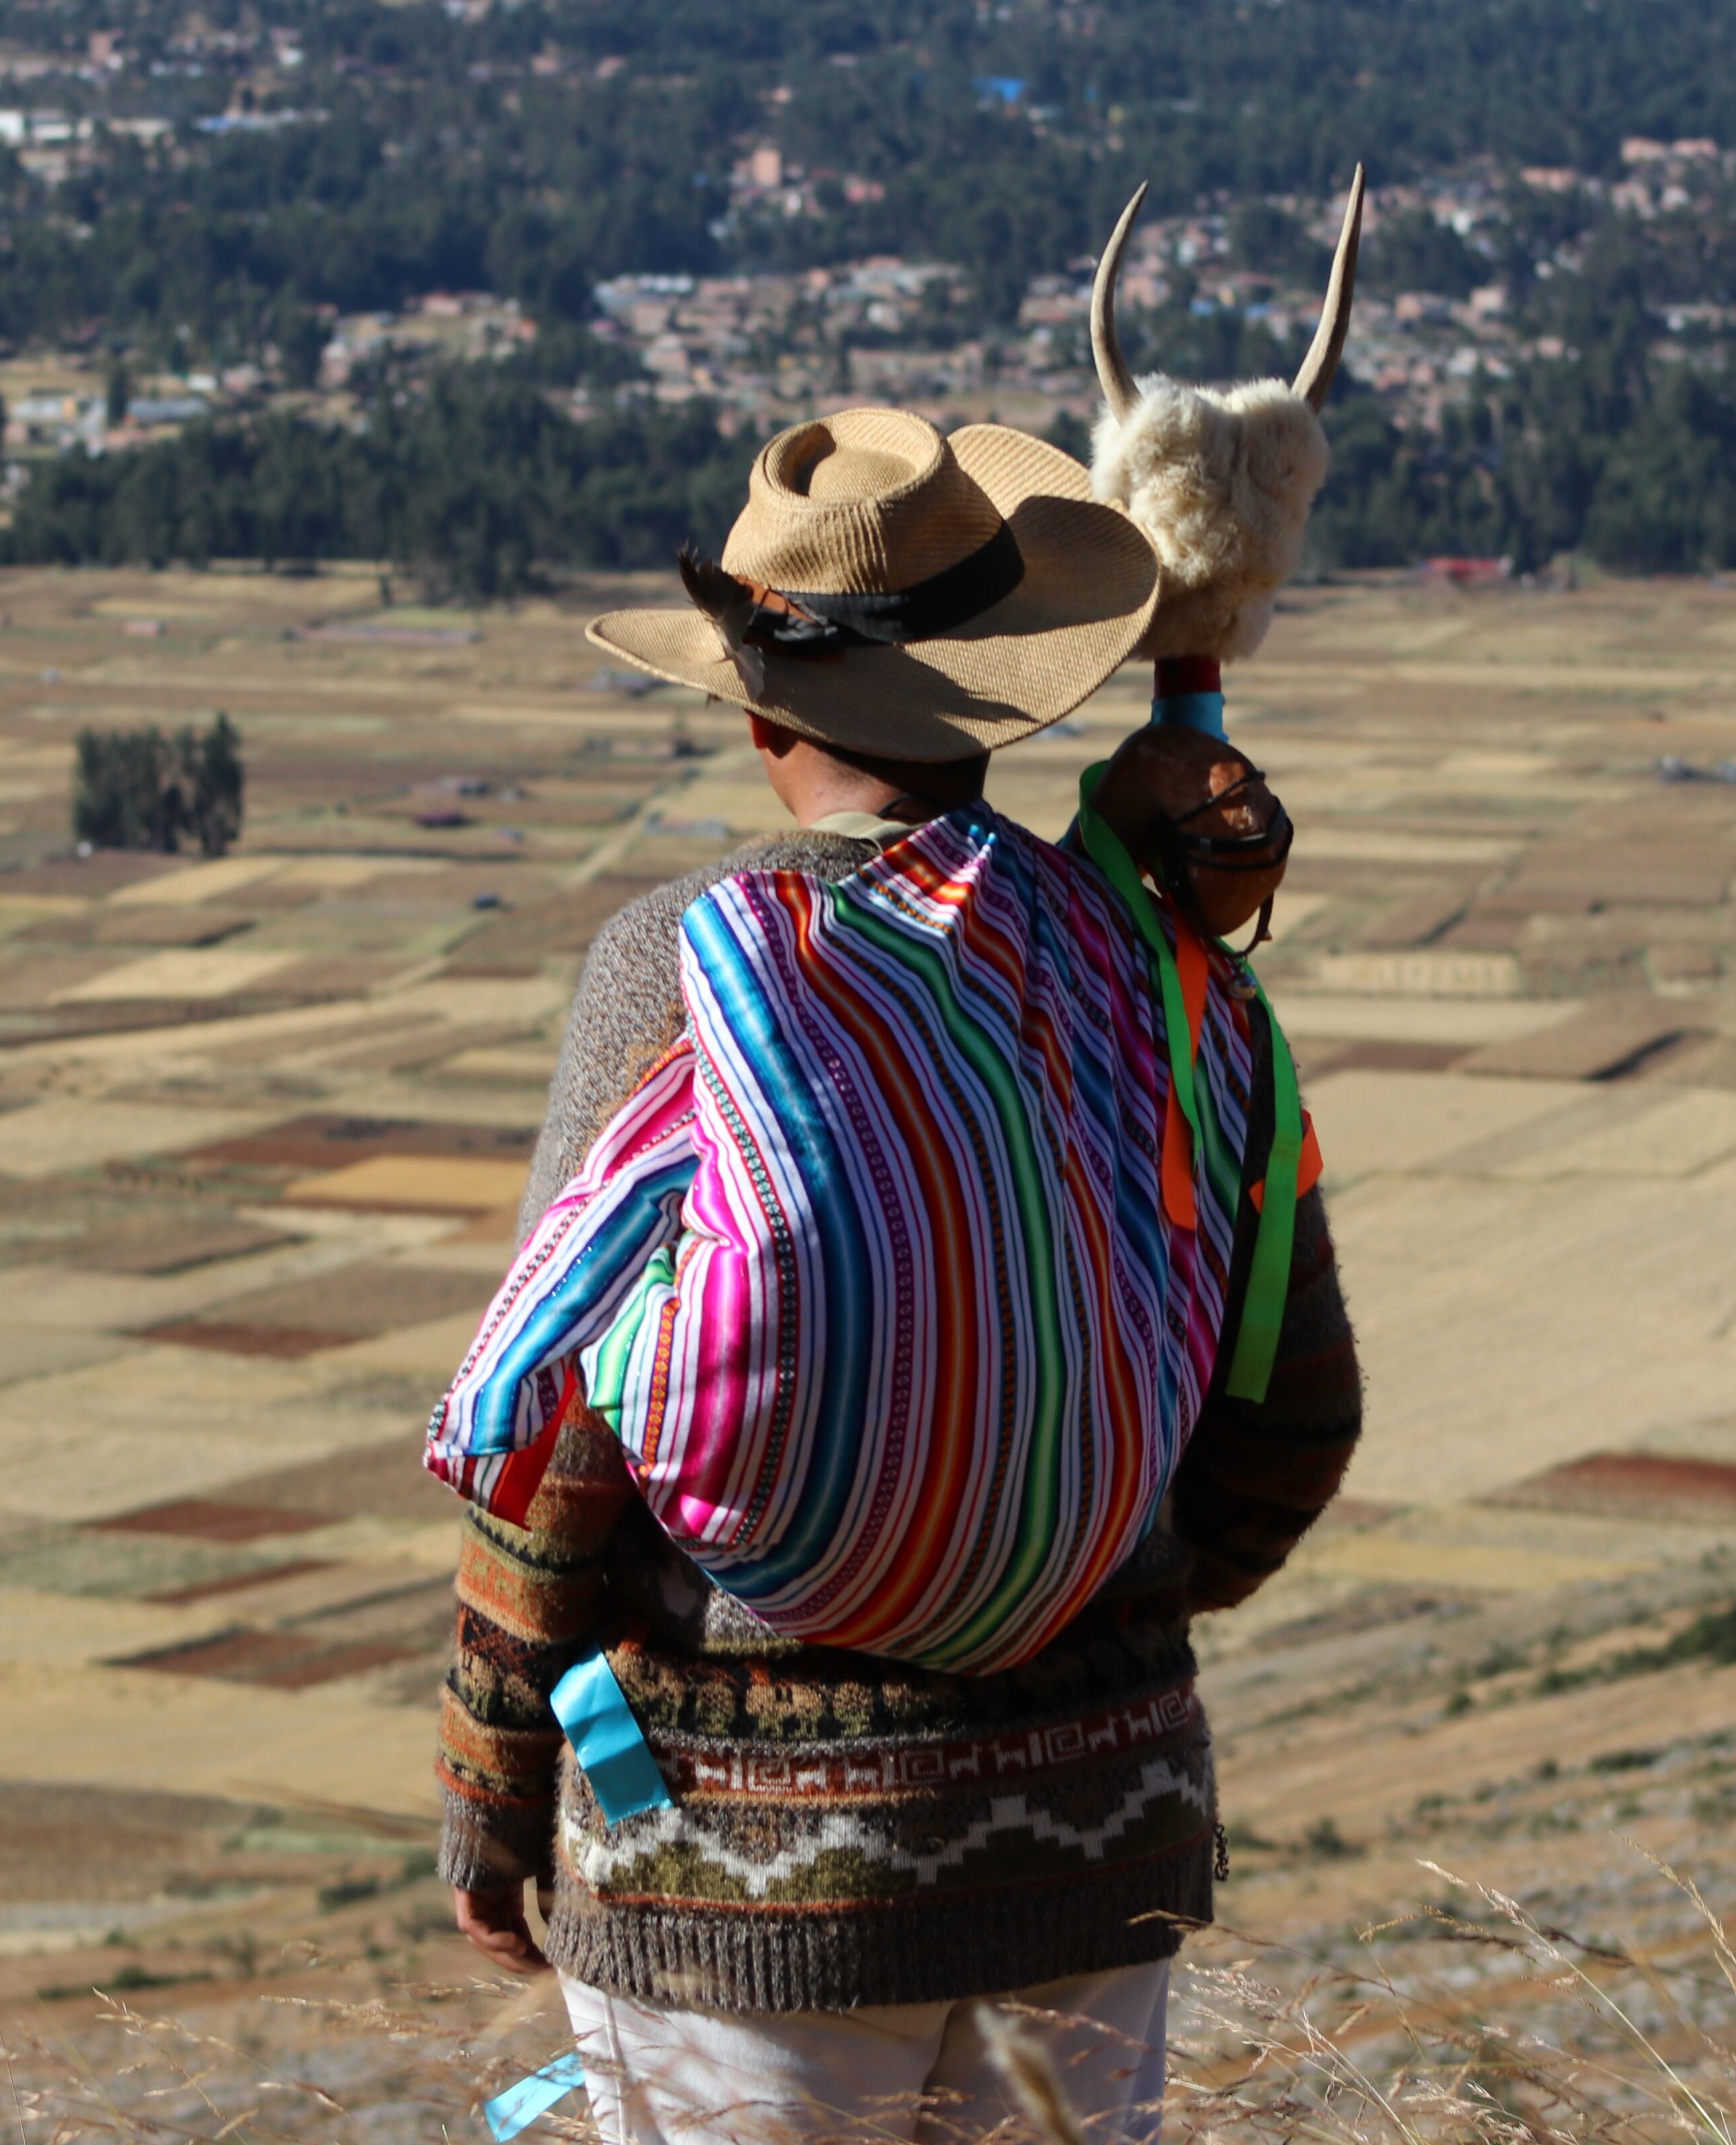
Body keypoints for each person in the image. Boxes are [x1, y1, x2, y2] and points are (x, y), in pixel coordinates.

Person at [433, 408, 1364, 2144]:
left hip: (741, 1881)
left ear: (758, 706)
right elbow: (1294, 1407)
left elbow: (561, 1435)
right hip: (1099, 1850)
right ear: (1000, 695)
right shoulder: (1153, 975)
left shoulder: (676, 974)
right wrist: (1075, 1579)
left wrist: (490, 1793)